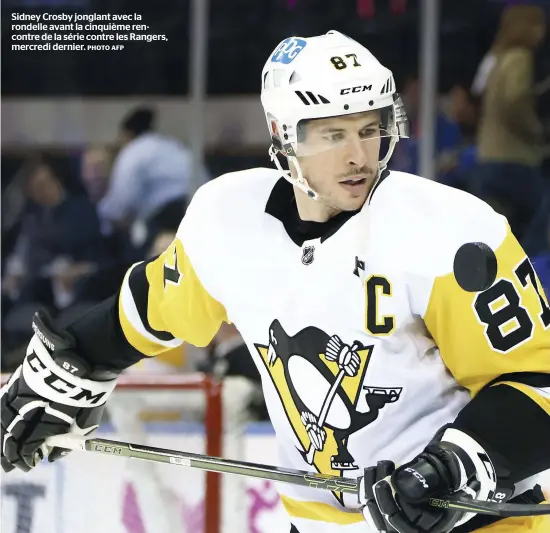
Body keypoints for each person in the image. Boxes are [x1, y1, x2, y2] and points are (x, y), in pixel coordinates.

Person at [1, 31, 549, 533]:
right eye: (332, 134)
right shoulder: (229, 219)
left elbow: (538, 381)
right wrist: (59, 373)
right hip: (314, 524)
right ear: (281, 134)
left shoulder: (449, 230)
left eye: (369, 128)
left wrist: (450, 468)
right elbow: (145, 311)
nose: (358, 154)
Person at [471, 4, 548, 257]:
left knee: (497, 231)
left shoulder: (496, 58)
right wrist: (535, 131)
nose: (542, 31)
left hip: (488, 157)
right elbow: (513, 101)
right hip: (515, 158)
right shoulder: (520, 57)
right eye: (537, 25)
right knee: (541, 221)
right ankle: (534, 273)